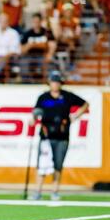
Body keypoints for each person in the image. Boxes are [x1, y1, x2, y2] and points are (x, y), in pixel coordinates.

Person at [29, 71, 89, 201]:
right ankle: (37, 192)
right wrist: (33, 119)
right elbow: (35, 114)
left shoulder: (67, 96)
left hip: (62, 136)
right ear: (49, 83)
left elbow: (85, 104)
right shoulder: (43, 97)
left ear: (60, 83)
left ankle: (54, 192)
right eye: (53, 81)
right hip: (45, 137)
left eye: (57, 82)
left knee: (58, 164)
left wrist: (76, 116)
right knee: (42, 165)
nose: (55, 84)